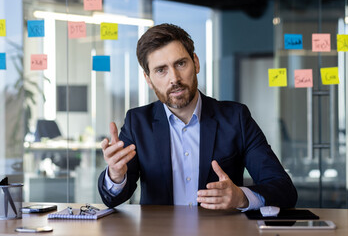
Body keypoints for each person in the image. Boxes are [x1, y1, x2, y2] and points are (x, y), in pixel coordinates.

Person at [98, 23, 297, 210]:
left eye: (181, 64)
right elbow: (113, 198)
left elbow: (284, 189)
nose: (174, 78)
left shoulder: (236, 118)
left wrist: (241, 197)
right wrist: (115, 175)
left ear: (196, 63)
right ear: (148, 79)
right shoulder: (137, 123)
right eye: (161, 70)